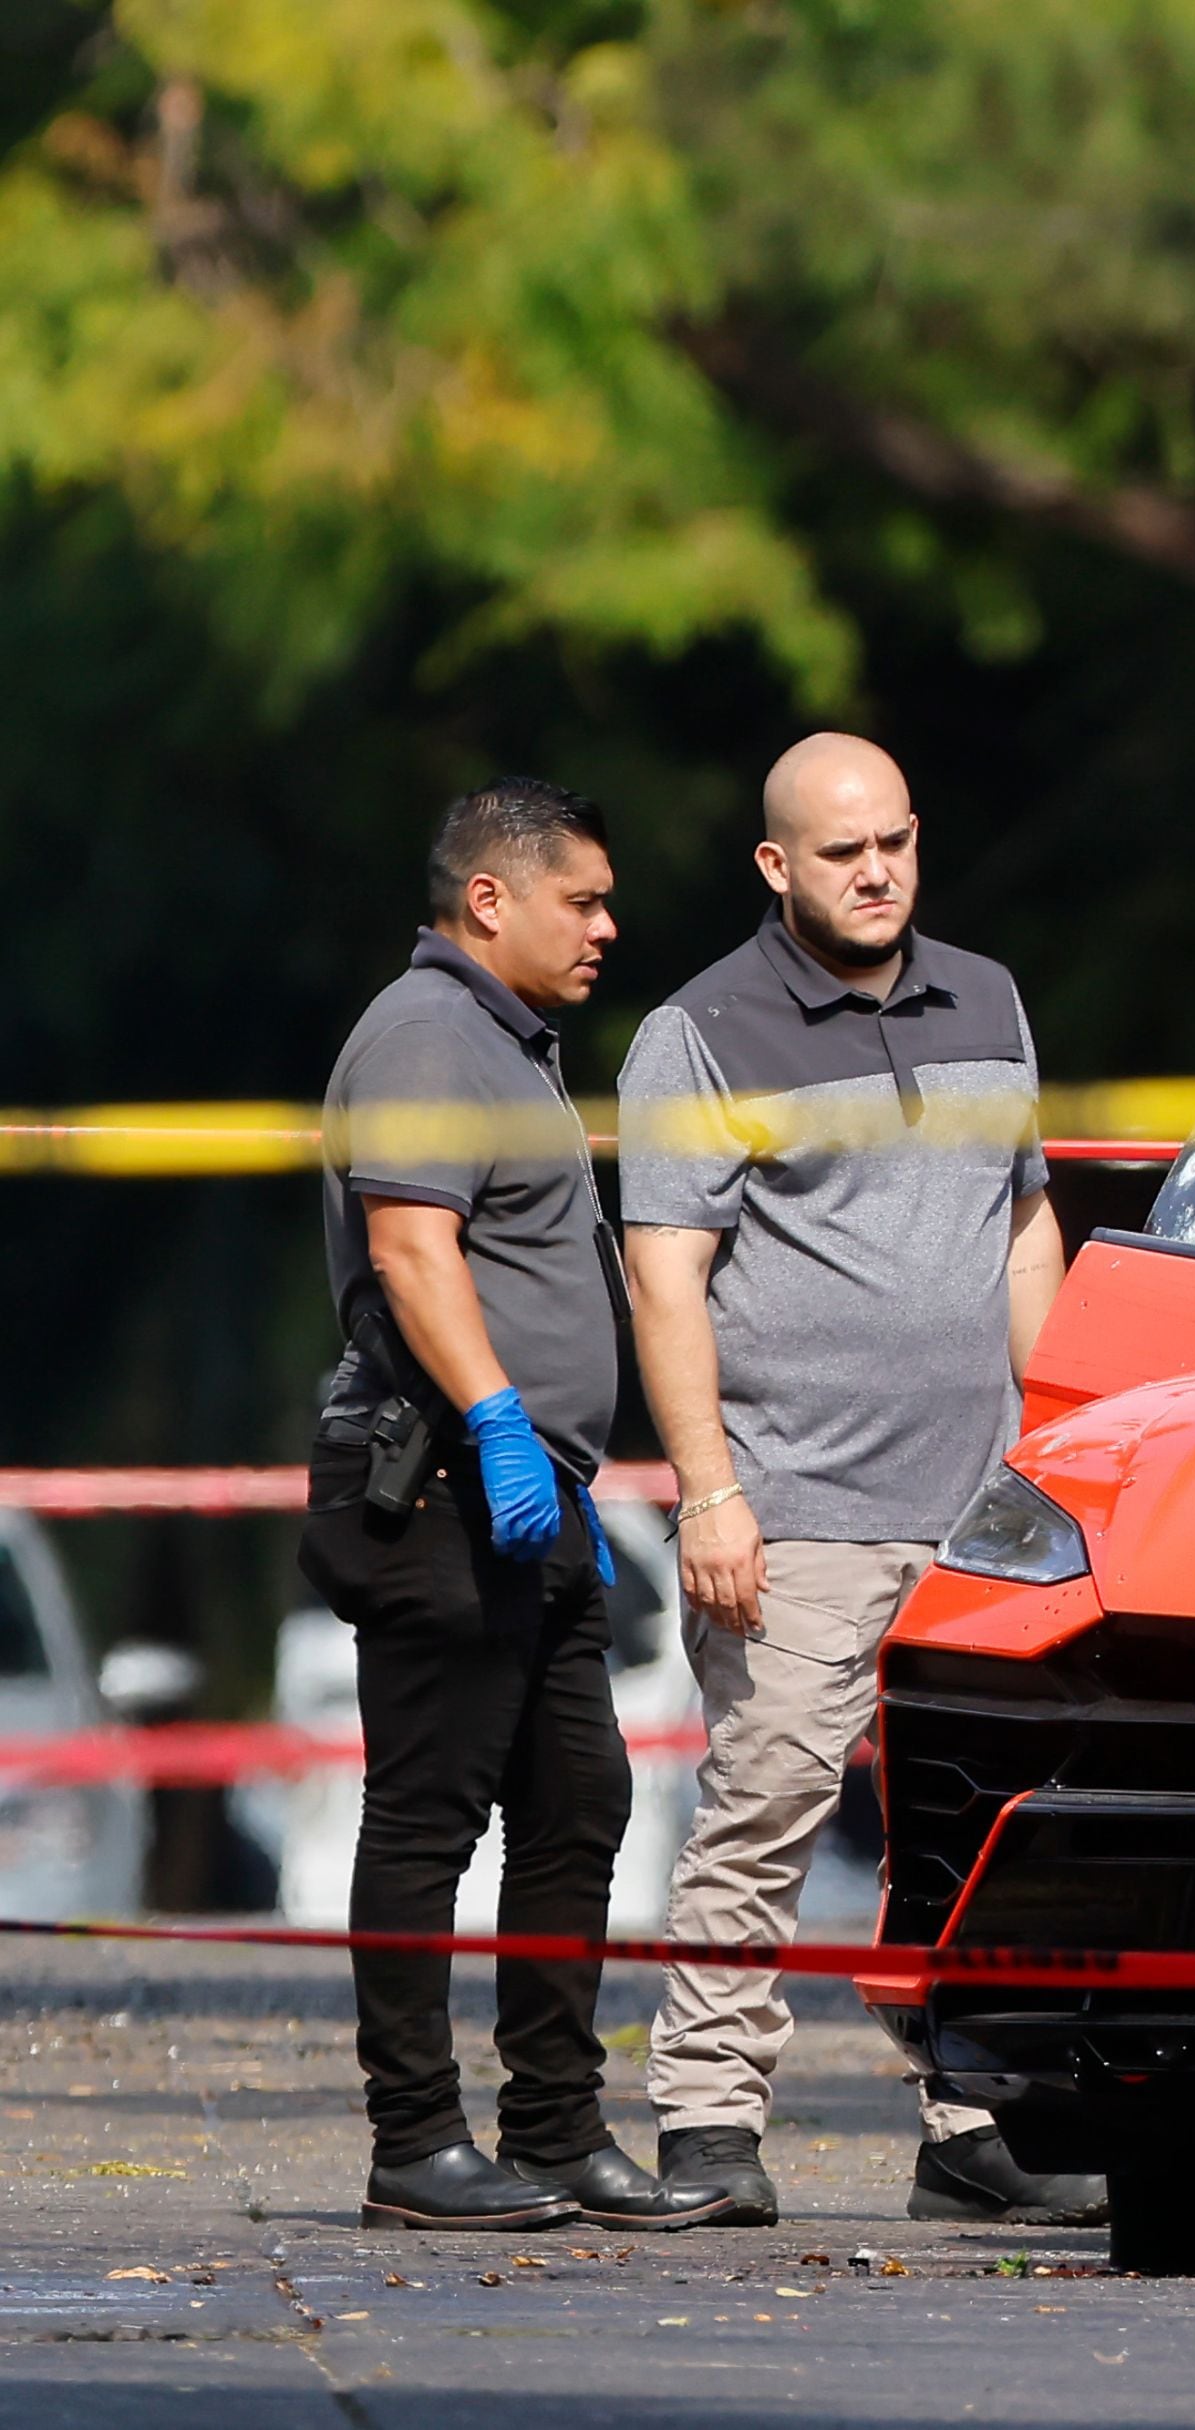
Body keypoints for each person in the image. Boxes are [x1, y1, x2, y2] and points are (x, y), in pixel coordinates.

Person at [617, 732, 1102, 2228]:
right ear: (778, 866)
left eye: (896, 840)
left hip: (983, 1510)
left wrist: (1061, 1448)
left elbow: (1024, 1227)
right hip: (797, 1508)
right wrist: (711, 1492)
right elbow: (664, 1276)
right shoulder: (699, 1033)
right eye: (844, 852)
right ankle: (709, 2116)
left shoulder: (990, 998)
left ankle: (977, 2118)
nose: (879, 871)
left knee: (981, 1829)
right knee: (766, 1805)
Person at [301, 779, 722, 2232]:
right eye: (581, 900)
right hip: (441, 1480)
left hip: (530, 1490)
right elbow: (414, 1252)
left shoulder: (508, 1044)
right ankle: (414, 2141)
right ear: (490, 899)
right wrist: (493, 1417)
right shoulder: (426, 1031)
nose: (607, 928)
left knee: (578, 1797)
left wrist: (546, 1451)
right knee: (428, 1813)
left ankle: (552, 2128)